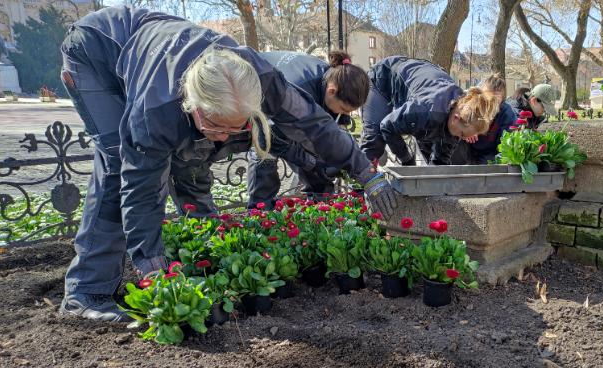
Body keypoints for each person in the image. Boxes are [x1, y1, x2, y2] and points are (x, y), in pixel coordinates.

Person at [59, 6, 396, 322]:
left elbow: (315, 123)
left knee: (188, 155)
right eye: (216, 125)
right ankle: (85, 292)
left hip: (156, 43)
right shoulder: (156, 111)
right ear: (191, 104)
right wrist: (150, 265)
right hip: (98, 49)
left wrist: (367, 174)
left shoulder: (263, 77)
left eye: (237, 127)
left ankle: (192, 254)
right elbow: (140, 189)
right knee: (119, 163)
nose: (223, 139)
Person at [245, 50, 370, 208]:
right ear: (332, 91)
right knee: (265, 157)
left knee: (317, 162)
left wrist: (337, 155)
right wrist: (310, 161)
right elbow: (272, 138)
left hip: (290, 111)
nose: (346, 114)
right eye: (344, 110)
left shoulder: (336, 77)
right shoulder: (299, 88)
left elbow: (330, 131)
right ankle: (260, 215)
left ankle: (320, 210)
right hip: (263, 110)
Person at [360, 56, 499, 166]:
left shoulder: (457, 117)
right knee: (375, 140)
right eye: (462, 134)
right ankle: (356, 195)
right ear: (456, 118)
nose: (461, 138)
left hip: (422, 86)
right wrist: (407, 159)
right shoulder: (425, 110)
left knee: (431, 137)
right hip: (384, 77)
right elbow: (387, 126)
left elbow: (440, 161)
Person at [463, 74, 517, 164]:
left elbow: (504, 147)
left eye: (496, 99)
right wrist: (466, 129)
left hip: (490, 154)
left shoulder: (507, 114)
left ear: (502, 99)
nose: (491, 103)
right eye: (487, 98)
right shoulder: (470, 104)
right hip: (467, 149)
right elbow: (456, 121)